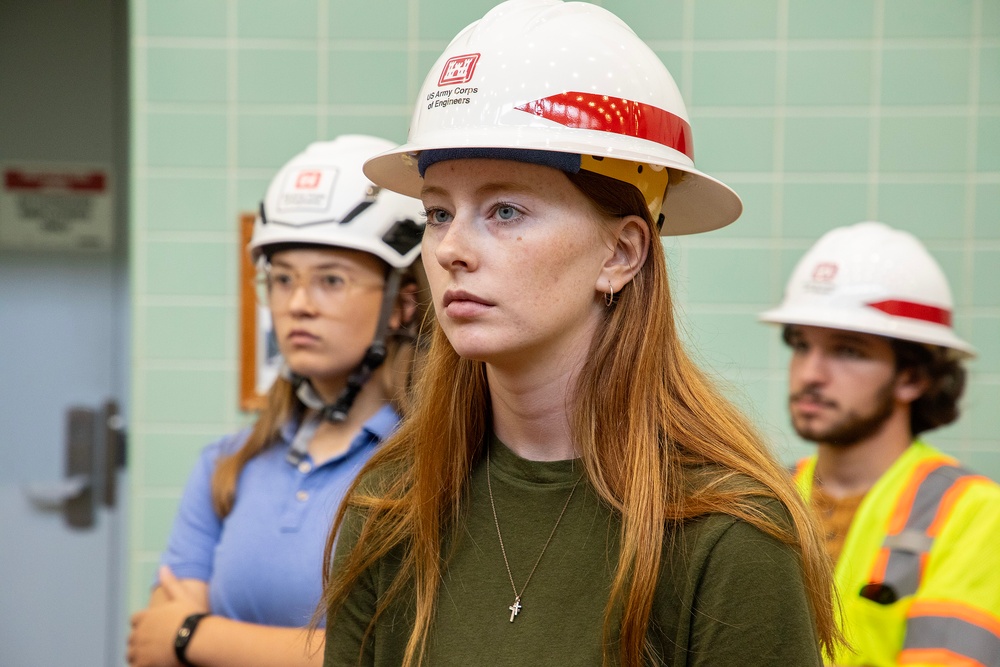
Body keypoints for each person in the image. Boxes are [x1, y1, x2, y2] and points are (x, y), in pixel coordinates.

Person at [320, 2, 838, 665]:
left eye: (505, 210)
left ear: (620, 253)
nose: (452, 247)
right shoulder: (390, 507)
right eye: (439, 212)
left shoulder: (727, 533)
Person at [126, 134, 427, 667]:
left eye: (330, 280)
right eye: (282, 279)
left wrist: (193, 636)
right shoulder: (229, 463)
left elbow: (389, 653)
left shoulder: (431, 462)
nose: (297, 304)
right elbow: (153, 638)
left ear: (402, 304)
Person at [760, 221, 1000, 666]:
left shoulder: (973, 514)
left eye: (847, 350)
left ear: (913, 376)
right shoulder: (765, 496)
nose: (811, 373)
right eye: (800, 345)